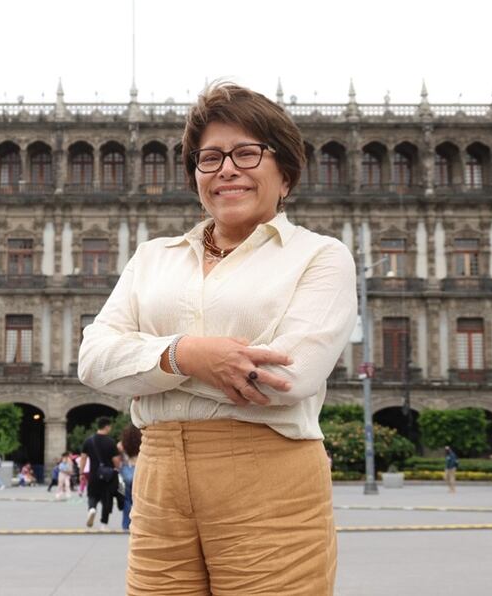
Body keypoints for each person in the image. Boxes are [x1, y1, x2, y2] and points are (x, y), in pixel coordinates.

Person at [78, 82, 355, 594]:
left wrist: (146, 369)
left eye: (247, 152)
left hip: (270, 478)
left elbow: (284, 379)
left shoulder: (320, 256)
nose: (227, 169)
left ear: (286, 174)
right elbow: (93, 359)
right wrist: (188, 355)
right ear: (196, 177)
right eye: (209, 158)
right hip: (158, 478)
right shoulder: (152, 258)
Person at [80, 417, 121, 530]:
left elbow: (83, 458)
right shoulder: (111, 441)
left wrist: (81, 473)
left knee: (92, 495)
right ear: (107, 426)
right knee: (106, 499)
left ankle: (92, 508)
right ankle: (103, 524)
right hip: (108, 475)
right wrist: (118, 469)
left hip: (94, 474)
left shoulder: (89, 440)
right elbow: (116, 459)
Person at [119, 424, 142, 531]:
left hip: (126, 471)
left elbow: (118, 458)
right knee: (139, 500)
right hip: (139, 470)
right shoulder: (142, 442)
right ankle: (138, 524)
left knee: (127, 499)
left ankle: (126, 524)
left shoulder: (122, 445)